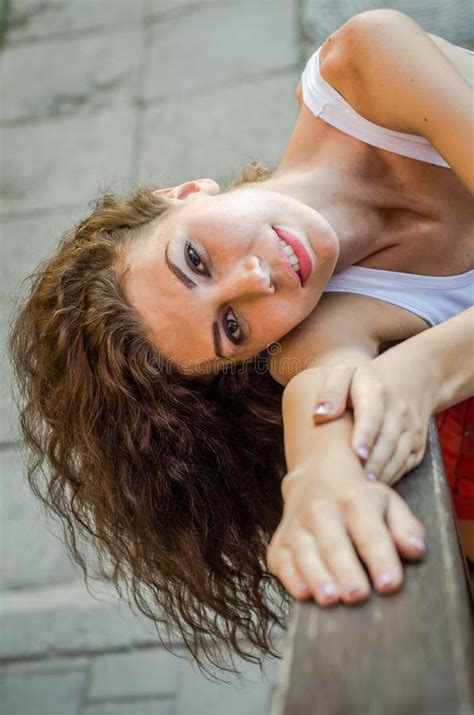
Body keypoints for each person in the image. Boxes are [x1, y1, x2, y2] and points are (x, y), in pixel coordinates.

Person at [8, 9, 473, 676]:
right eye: (232, 326)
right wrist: (319, 477)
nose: (256, 278)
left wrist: (425, 368)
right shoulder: (318, 326)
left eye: (195, 259)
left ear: (181, 193)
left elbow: (409, 375)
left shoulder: (367, 65)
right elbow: (314, 392)